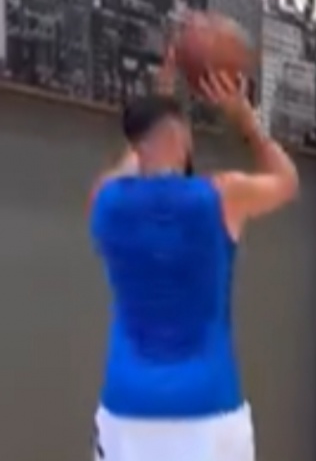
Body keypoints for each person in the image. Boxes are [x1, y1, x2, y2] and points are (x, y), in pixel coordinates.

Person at [88, 46, 299, 461]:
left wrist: (159, 104)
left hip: (128, 407)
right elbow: (287, 180)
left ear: (137, 143)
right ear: (184, 138)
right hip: (209, 408)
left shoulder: (107, 202)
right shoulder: (221, 196)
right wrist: (246, 120)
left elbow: (136, 159)